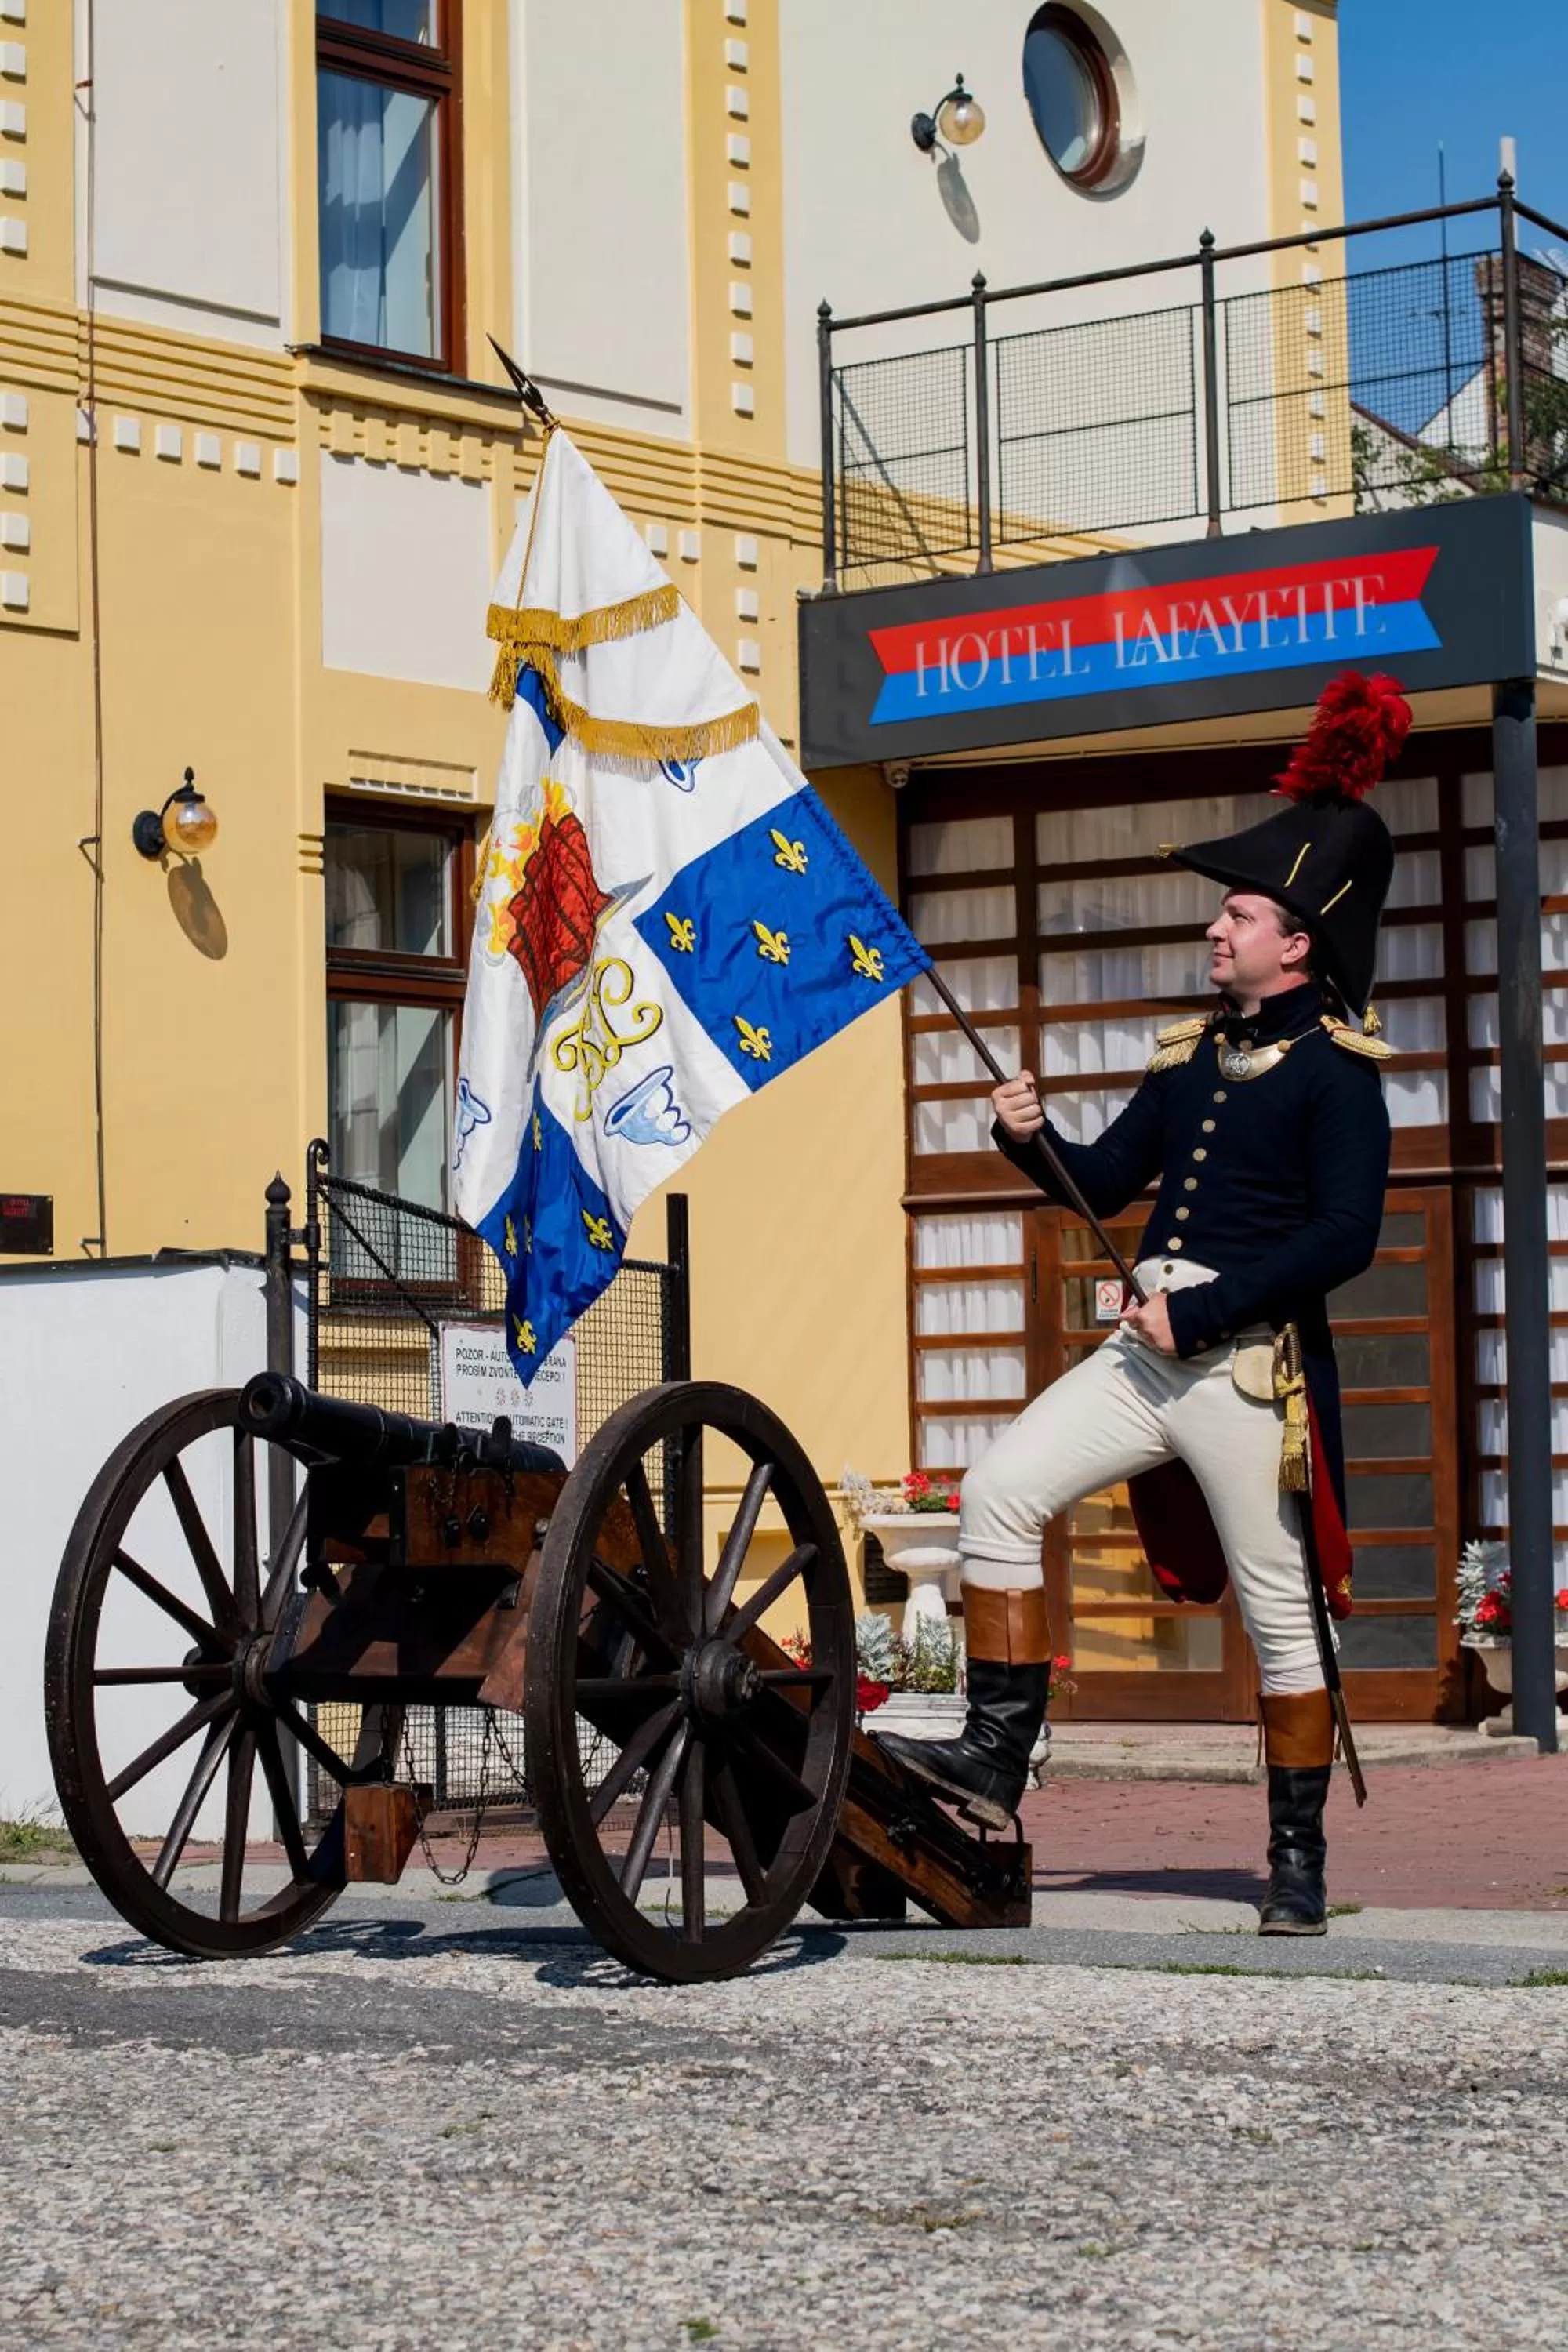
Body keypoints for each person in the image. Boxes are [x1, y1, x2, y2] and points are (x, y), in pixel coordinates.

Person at [877, 671, 1410, 1935]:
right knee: (1000, 1492)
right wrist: (1028, 1136)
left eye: (1238, 914)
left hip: (1245, 1367)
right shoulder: (1188, 1057)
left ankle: (1294, 1865)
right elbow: (1106, 1181)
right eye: (1222, 915)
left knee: (1282, 1621)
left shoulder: (1342, 1076)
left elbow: (1347, 1237)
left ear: (1299, 940)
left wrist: (1210, 1308)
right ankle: (998, 1760)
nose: (1216, 930)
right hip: (1143, 1345)